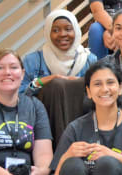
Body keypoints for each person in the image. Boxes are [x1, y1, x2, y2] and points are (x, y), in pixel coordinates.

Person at [51, 61, 122, 175]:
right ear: (88, 92)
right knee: (72, 165)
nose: (105, 89)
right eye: (97, 84)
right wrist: (65, 157)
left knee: (107, 164)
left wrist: (118, 158)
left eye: (110, 82)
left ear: (120, 88)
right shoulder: (75, 128)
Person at [21, 10, 98, 144]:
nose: (63, 34)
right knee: (56, 85)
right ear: (48, 33)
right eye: (55, 30)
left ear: (76, 31)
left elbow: (99, 93)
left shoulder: (89, 60)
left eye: (68, 29)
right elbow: (19, 97)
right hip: (46, 123)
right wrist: (42, 82)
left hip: (82, 120)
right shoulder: (34, 60)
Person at [0, 49, 52, 175]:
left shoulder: (35, 106)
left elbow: (44, 153)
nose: (7, 73)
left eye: (13, 67)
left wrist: (40, 171)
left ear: (22, 74)